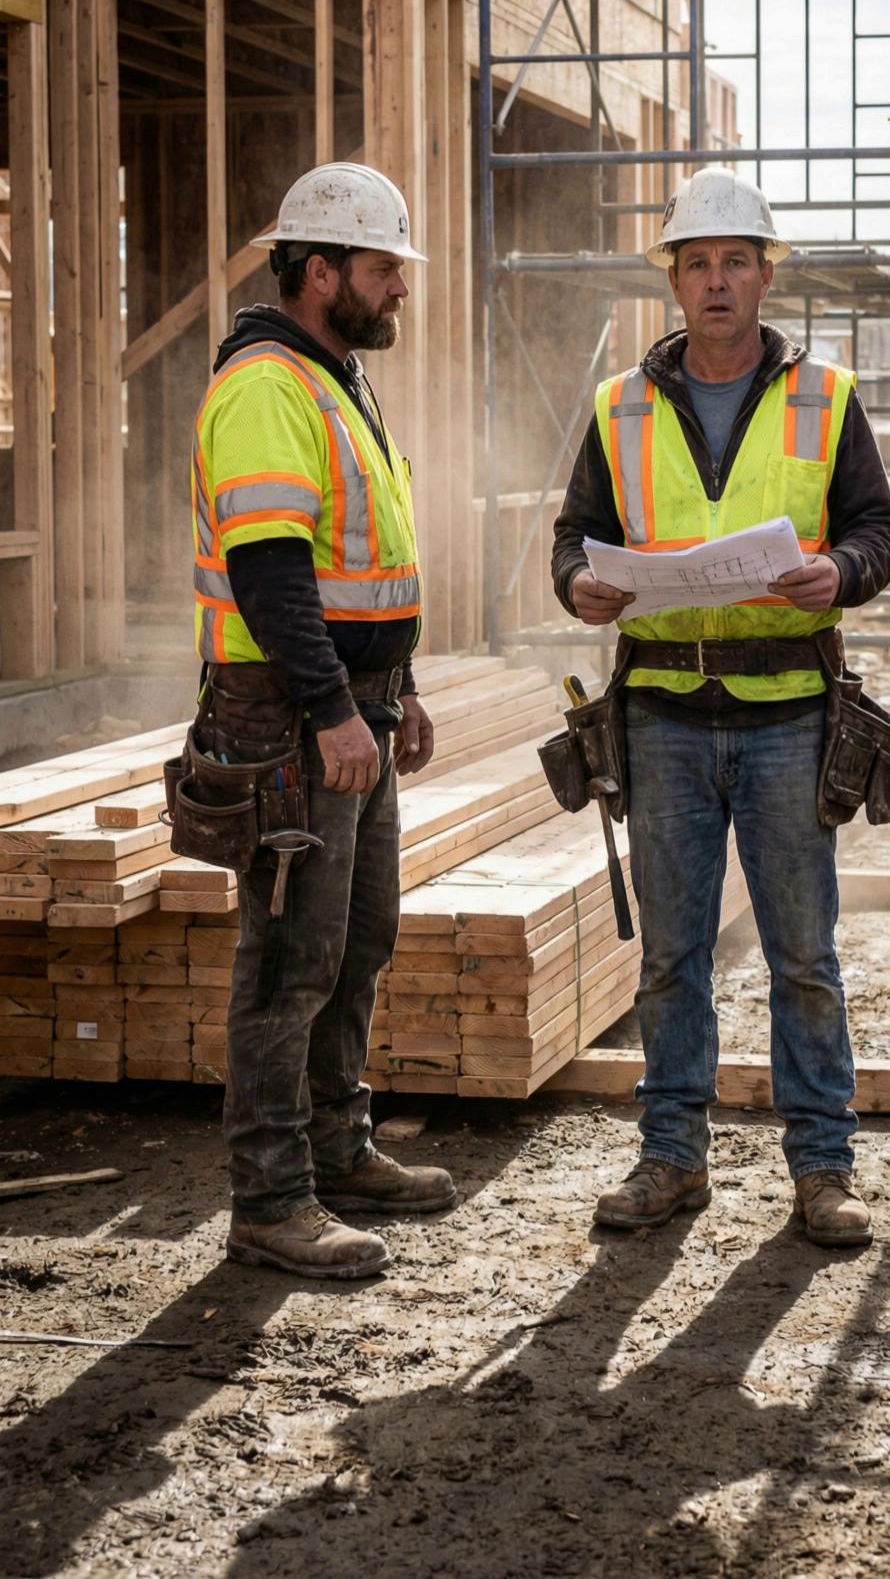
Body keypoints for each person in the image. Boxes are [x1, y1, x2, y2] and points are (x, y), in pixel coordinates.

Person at [551, 167, 890, 1248]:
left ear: (763, 274)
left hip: (789, 709)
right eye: (696, 262)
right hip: (659, 712)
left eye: (734, 261)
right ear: (673, 278)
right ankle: (671, 1156)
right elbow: (570, 538)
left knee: (803, 953)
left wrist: (838, 573)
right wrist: (578, 585)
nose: (716, 281)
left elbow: (877, 531)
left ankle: (822, 1167)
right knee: (671, 953)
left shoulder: (825, 395)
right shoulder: (619, 403)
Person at [190, 161, 456, 1281]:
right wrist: (333, 708)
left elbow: (361, 563)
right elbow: (270, 572)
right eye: (383, 265)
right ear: (317, 269)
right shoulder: (267, 384)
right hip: (291, 721)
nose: (399, 286)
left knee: (357, 941)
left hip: (350, 710)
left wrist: (397, 686)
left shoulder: (335, 374)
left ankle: (338, 1148)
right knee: (288, 959)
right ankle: (271, 1196)